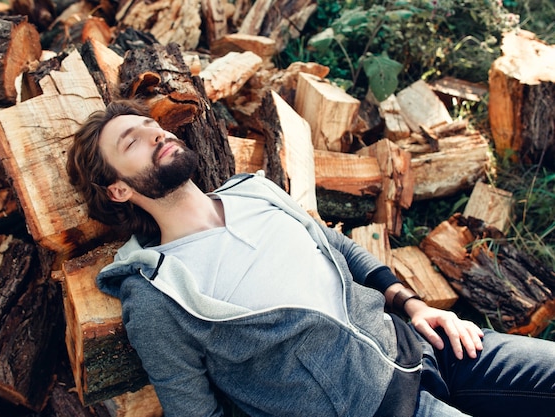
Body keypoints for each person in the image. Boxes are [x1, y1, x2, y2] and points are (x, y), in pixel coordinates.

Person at [66, 99, 555, 417]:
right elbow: (194, 412)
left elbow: (339, 248)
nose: (156, 133)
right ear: (118, 188)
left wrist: (414, 305)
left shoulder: (254, 191)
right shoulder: (158, 293)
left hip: (423, 345)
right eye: (132, 140)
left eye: (152, 124)